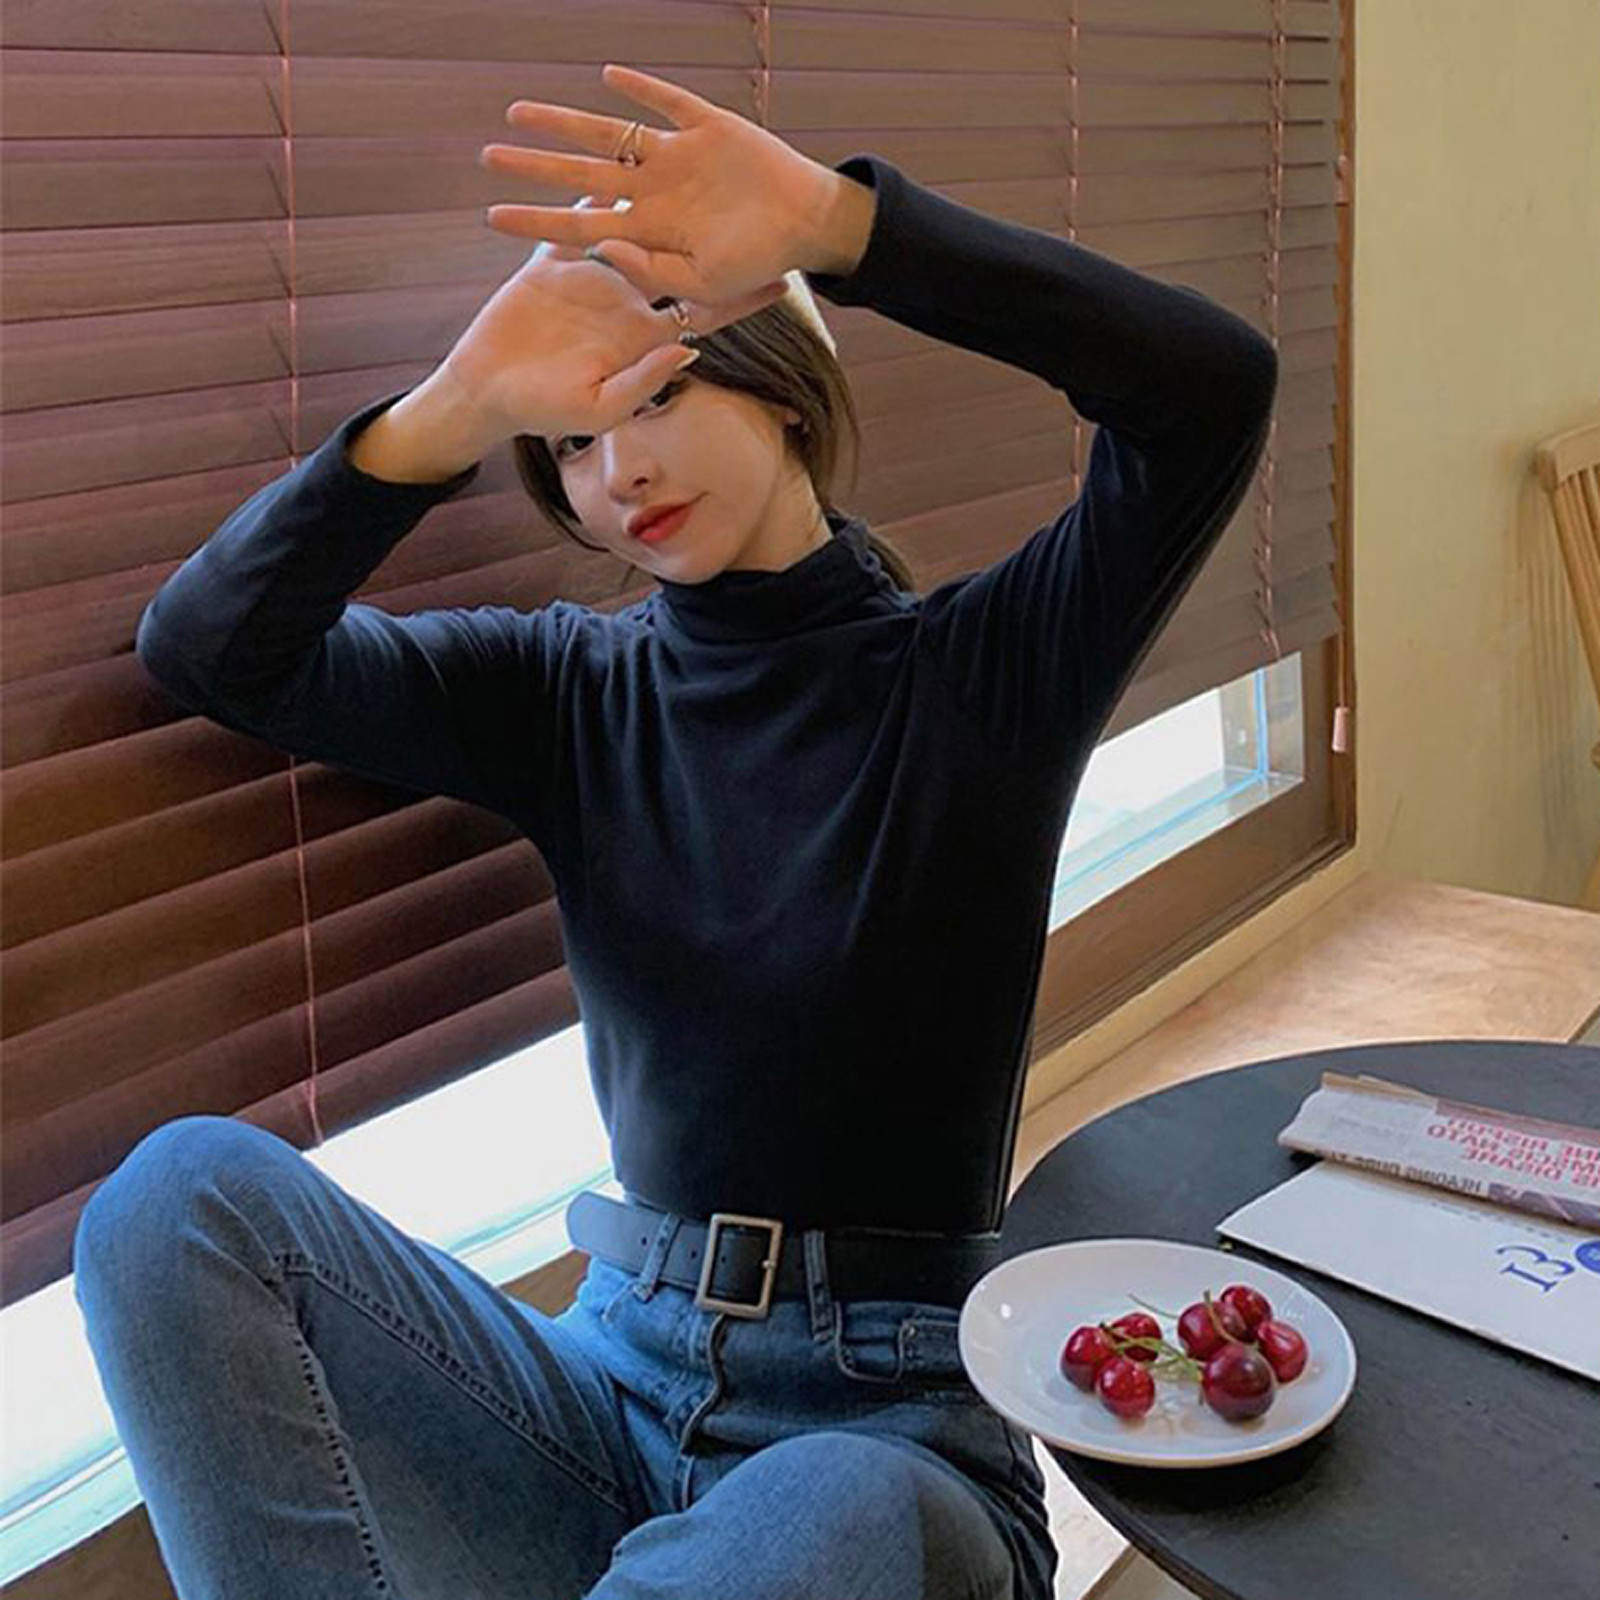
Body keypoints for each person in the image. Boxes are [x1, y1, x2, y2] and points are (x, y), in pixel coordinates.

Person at [73, 63, 1277, 1600]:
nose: (618, 471)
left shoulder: (984, 676)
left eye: (657, 398)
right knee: (174, 1203)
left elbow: (1211, 393)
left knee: (825, 1505)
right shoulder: (562, 692)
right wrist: (455, 408)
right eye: (569, 444)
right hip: (609, 1387)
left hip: (894, 1428)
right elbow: (214, 649)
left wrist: (843, 227)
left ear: (782, 386)